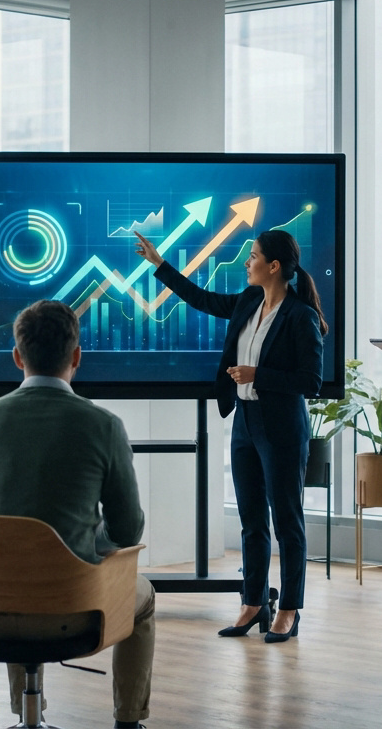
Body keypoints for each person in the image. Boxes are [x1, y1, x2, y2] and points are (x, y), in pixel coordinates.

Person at [0, 300, 153, 729]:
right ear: (77, 356)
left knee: (8, 560)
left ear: (17, 356)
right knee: (145, 596)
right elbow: (128, 530)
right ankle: (128, 720)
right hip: (73, 611)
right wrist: (89, 543)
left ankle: (26, 714)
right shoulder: (104, 425)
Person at [134, 228, 325, 643]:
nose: (247, 262)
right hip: (245, 424)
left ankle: (289, 609)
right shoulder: (248, 301)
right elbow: (201, 299)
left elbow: (311, 381)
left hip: (282, 427)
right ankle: (252, 603)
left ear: (274, 266)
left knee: (287, 522)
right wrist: (159, 264)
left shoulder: (300, 316)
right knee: (251, 521)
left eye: (253, 256)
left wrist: (259, 375)